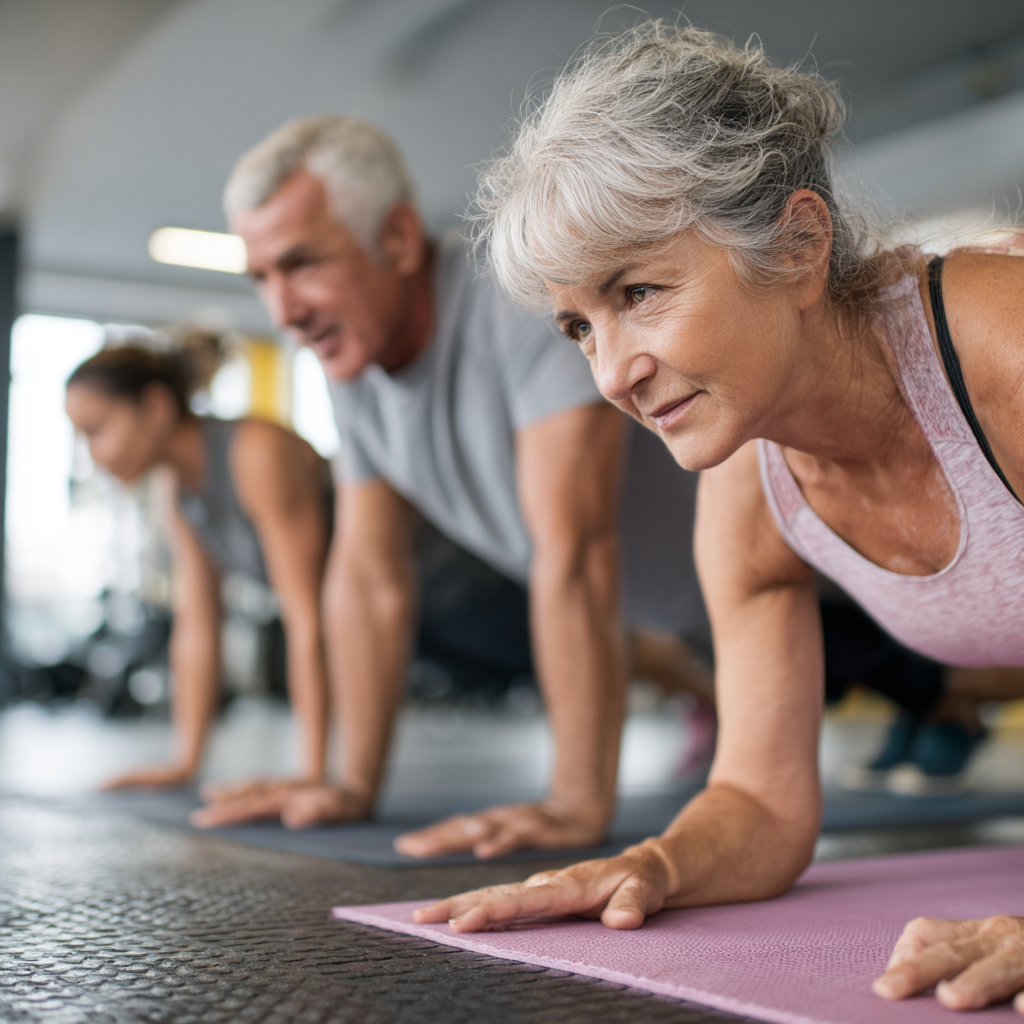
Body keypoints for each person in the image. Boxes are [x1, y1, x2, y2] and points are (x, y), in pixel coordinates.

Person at [409, 24, 1024, 1014]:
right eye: (580, 326)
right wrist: (657, 864)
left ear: (797, 245)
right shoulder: (749, 481)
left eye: (638, 291)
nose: (610, 374)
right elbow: (762, 800)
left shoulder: (1001, 349)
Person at [191, 114, 714, 857]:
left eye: (302, 263)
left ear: (398, 239)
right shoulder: (352, 355)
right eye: (263, 277)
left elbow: (575, 549)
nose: (283, 311)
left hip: (809, 586)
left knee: (937, 687)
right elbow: (370, 577)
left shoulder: (516, 296)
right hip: (683, 622)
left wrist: (575, 800)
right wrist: (347, 784)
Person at [65, 335, 333, 793]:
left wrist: (312, 774)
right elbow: (199, 626)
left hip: (455, 604)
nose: (95, 454)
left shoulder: (255, 451)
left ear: (154, 405)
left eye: (97, 430)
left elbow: (308, 617)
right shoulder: (178, 488)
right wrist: (184, 763)